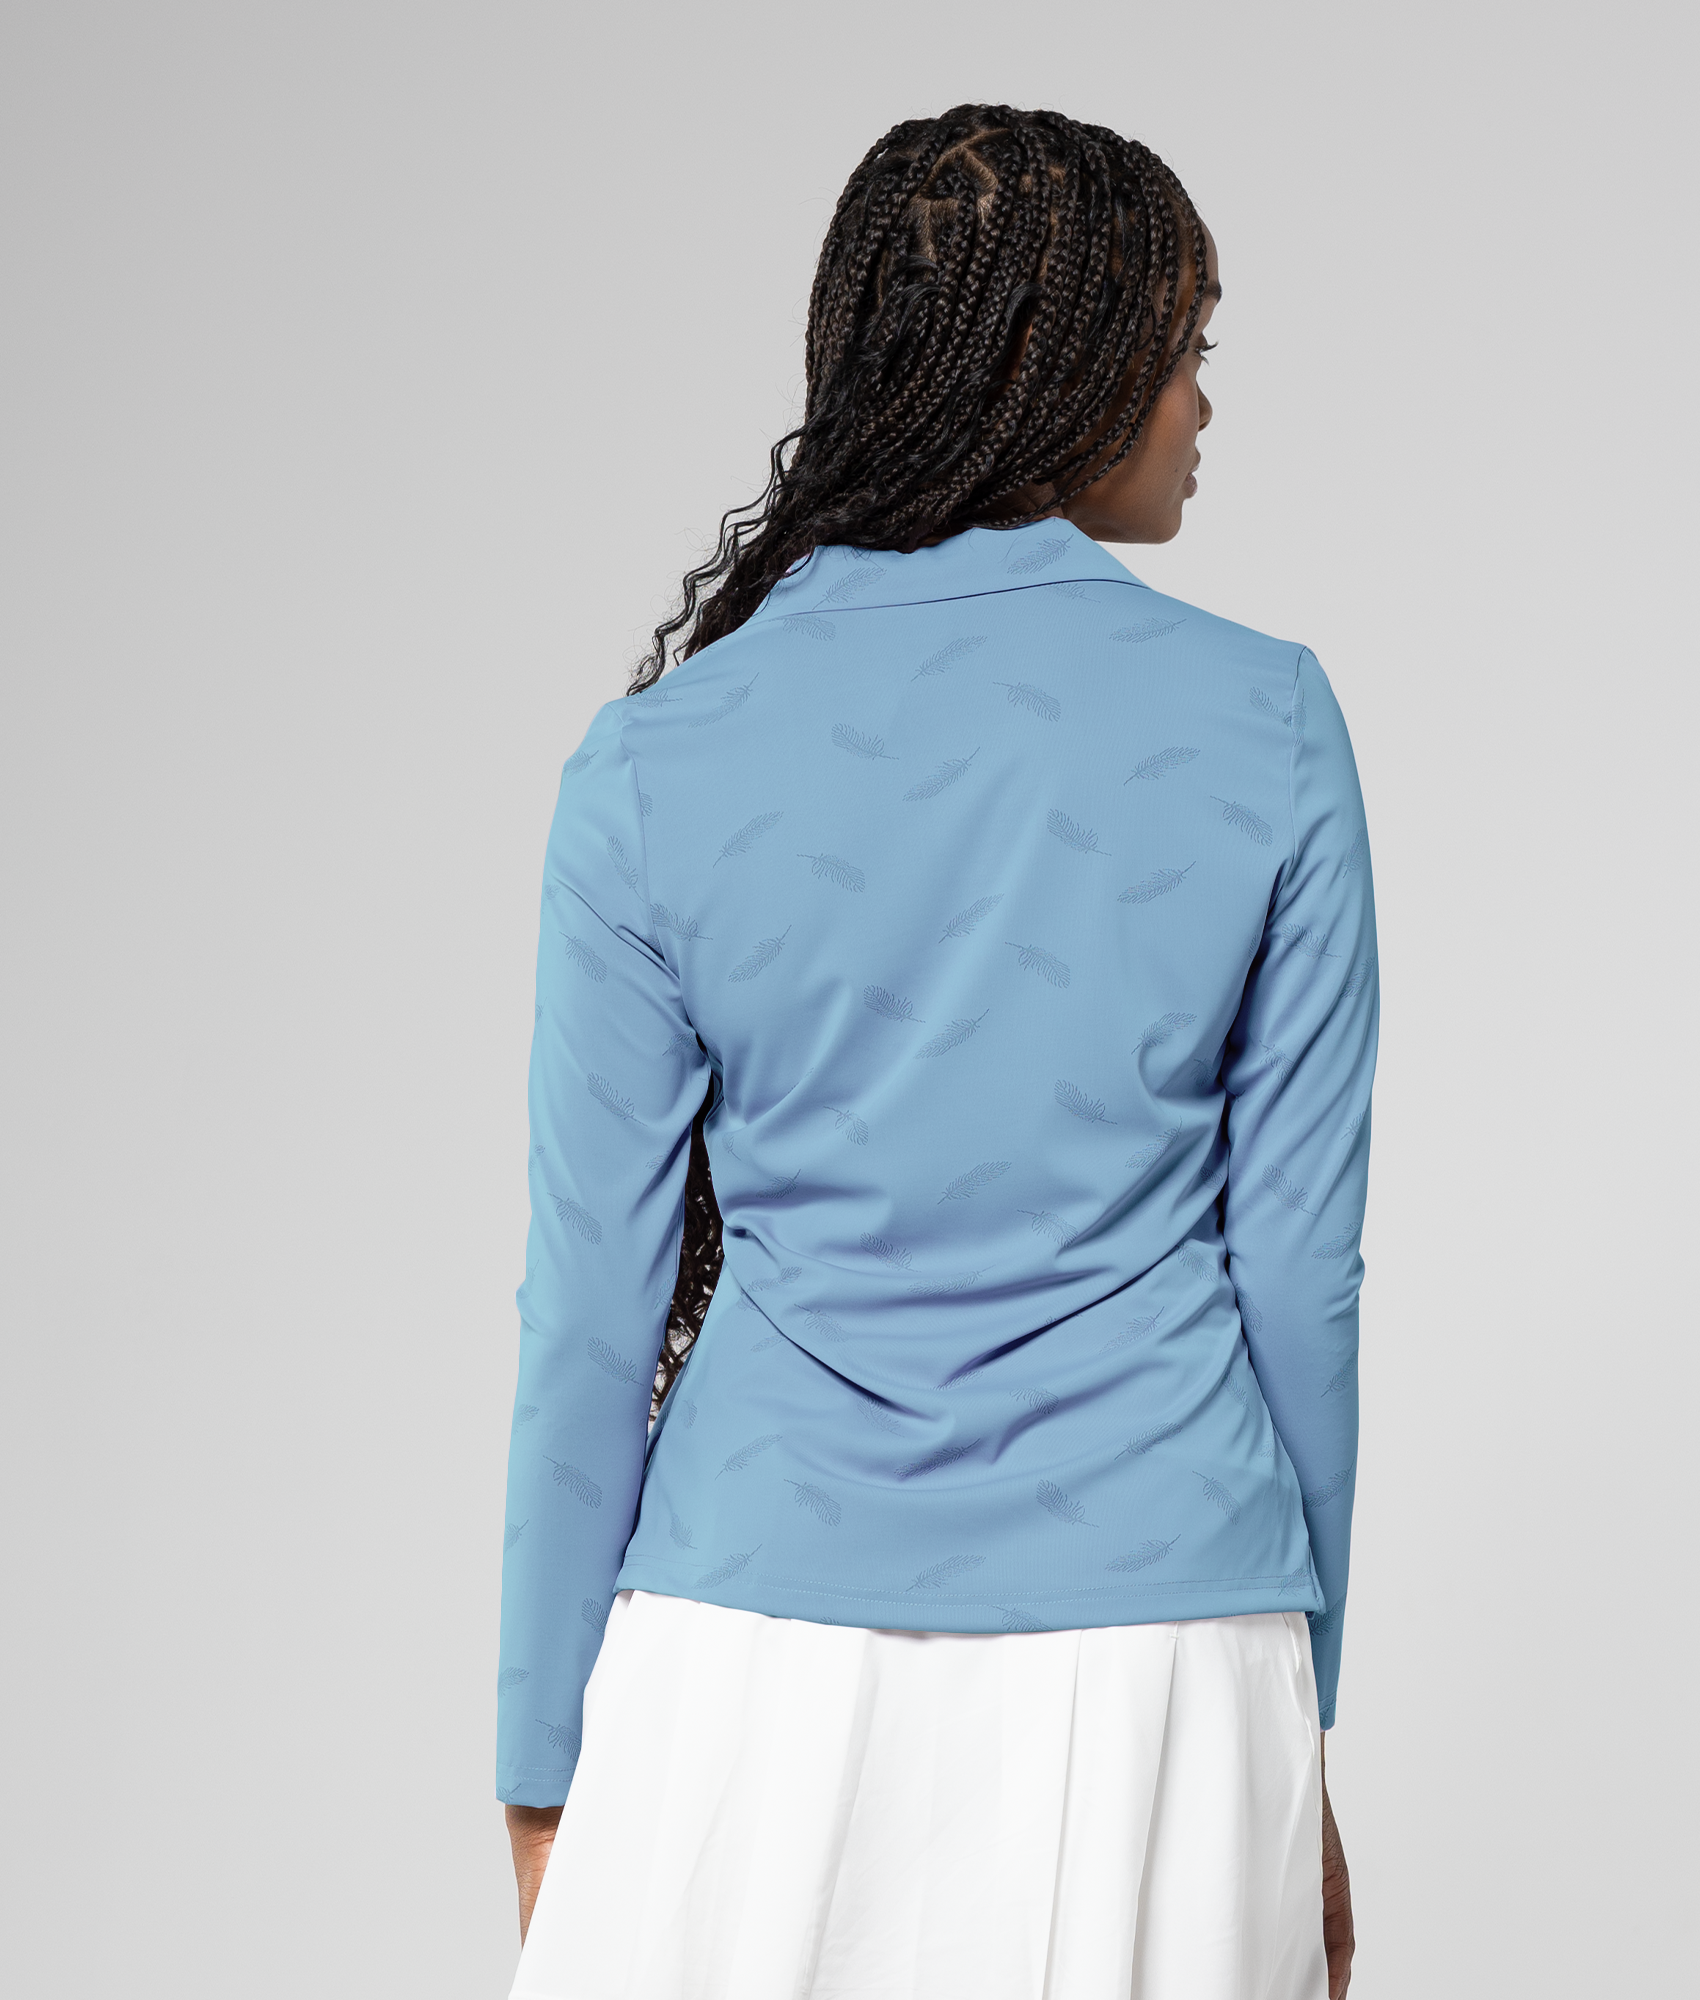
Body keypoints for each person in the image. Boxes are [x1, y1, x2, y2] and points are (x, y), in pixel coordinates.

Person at [498, 103, 1376, 2000]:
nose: (1203, 401)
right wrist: (1295, 1715)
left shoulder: (652, 762)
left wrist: (541, 1766)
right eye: (1185, 344)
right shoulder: (1273, 724)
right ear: (1059, 359)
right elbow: (1301, 1273)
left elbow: (589, 1312)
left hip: (748, 1647)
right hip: (1167, 1633)